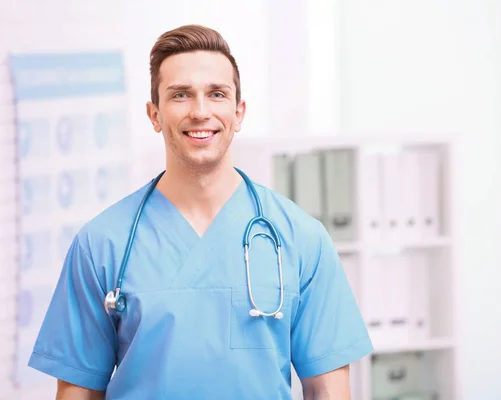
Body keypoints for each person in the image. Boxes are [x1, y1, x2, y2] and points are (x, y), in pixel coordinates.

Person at [28, 24, 373, 399]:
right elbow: (78, 392)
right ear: (154, 114)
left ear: (238, 113)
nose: (200, 111)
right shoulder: (102, 244)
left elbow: (329, 390)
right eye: (180, 95)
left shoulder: (300, 238)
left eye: (217, 94)